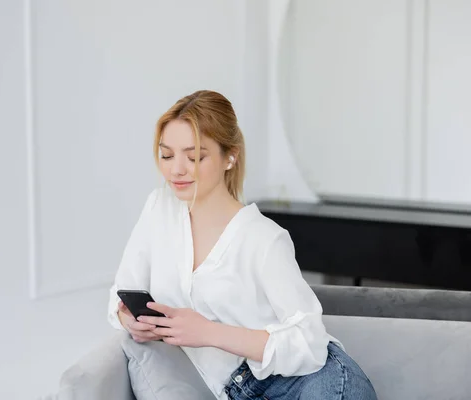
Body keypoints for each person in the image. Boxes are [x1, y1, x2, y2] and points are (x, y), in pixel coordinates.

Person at [107, 90, 377, 400]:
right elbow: (120, 295)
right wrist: (130, 319)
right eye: (167, 155)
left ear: (230, 157)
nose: (176, 169)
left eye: (194, 156)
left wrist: (208, 332)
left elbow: (310, 342)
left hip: (308, 382)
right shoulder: (159, 209)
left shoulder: (263, 238)